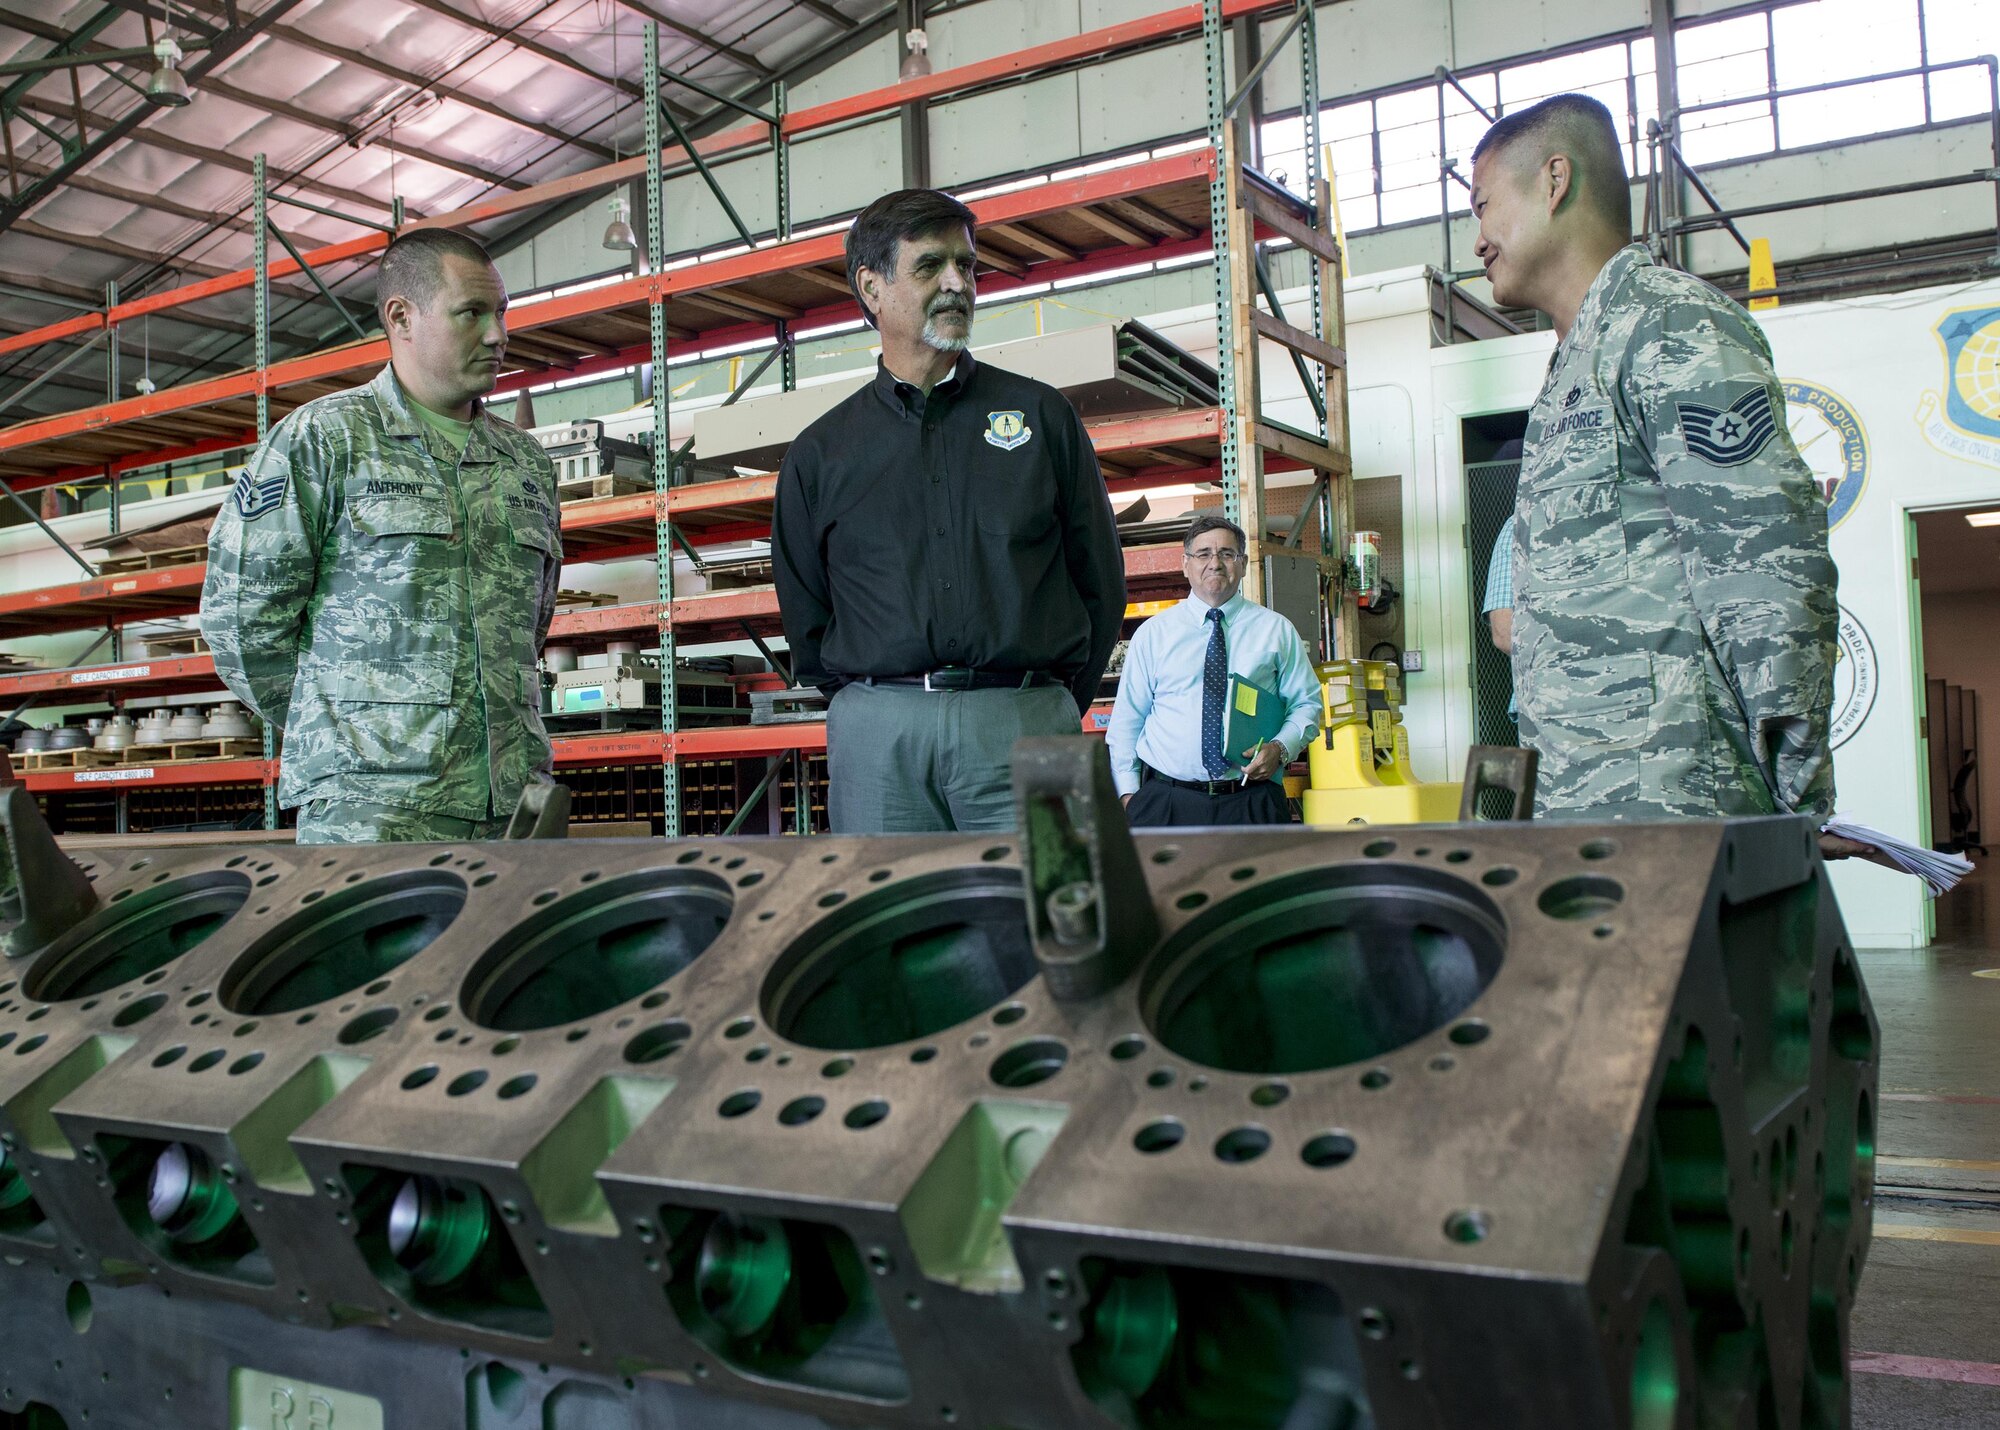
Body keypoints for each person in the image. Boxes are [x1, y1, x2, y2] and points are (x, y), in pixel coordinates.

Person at [1470, 92, 1848, 830]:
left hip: (1679, 805)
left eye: (1483, 206)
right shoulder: (1574, 363)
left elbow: (1764, 568)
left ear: (1554, 182)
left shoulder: (1669, 326)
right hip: (1593, 805)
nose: (1477, 239)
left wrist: (1797, 803)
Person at [772, 188, 1126, 834]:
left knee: (1065, 921)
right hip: (880, 736)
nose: (957, 283)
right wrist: (878, 700)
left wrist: (1044, 701)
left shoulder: (1044, 420)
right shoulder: (821, 454)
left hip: (1029, 719)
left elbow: (1100, 582)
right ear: (872, 288)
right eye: (930, 266)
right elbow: (807, 614)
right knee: (891, 925)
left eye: (967, 265)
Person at [201, 229, 562, 844]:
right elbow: (242, 623)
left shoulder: (525, 463)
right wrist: (354, 730)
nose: (498, 335)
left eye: (501, 313)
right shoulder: (324, 440)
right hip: (372, 812)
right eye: (471, 313)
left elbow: (531, 624)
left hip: (513, 804)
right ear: (402, 317)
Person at [1106, 512, 1320, 827]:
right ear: (1185, 564)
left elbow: (1307, 704)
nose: (1215, 563)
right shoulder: (1154, 634)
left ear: (1244, 563)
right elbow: (1127, 721)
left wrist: (1280, 748)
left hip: (1252, 799)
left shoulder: (1276, 630)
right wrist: (1129, 796)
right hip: (1167, 802)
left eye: (1227, 554)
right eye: (1203, 554)